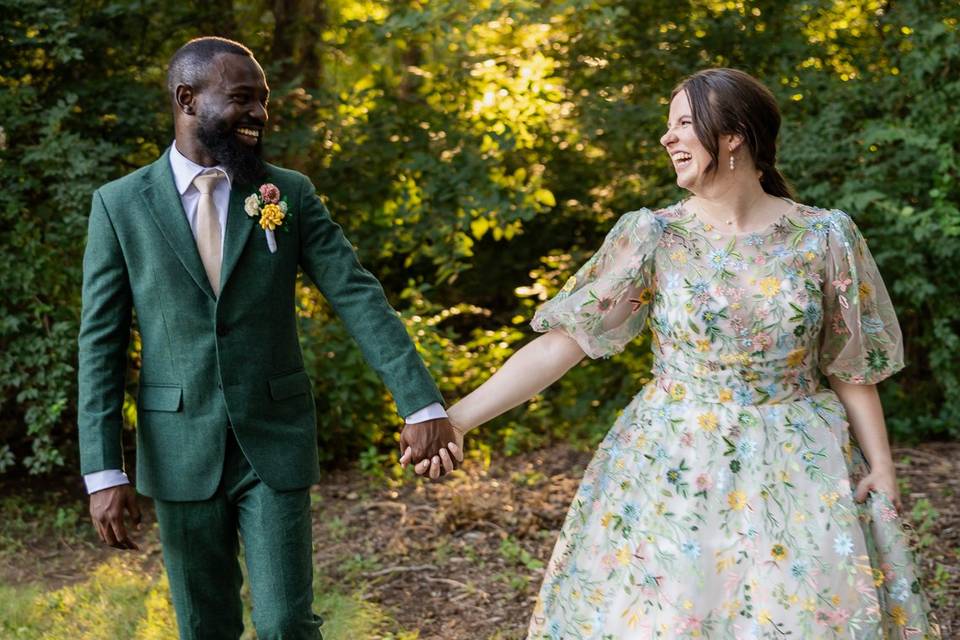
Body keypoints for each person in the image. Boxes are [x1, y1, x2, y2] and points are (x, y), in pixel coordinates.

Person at [433, 68, 940, 638]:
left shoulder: (825, 236)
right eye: (667, 126)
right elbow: (563, 344)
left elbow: (850, 366)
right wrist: (456, 420)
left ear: (733, 135)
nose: (666, 139)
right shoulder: (653, 236)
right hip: (675, 462)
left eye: (681, 124)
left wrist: (882, 467)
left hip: (802, 460)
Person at [77, 36, 460, 640]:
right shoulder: (120, 206)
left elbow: (357, 295)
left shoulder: (288, 194)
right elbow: (100, 345)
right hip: (178, 446)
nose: (260, 113)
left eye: (264, 100)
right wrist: (103, 473)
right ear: (187, 98)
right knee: (205, 625)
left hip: (273, 439)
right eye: (242, 98)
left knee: (285, 622)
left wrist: (420, 401)